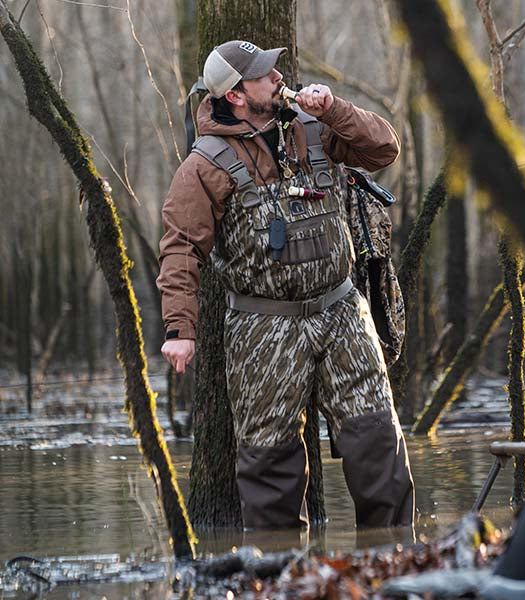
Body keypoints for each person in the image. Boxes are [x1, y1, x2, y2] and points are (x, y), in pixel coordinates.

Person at [157, 40, 414, 530]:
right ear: (235, 95)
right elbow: (181, 247)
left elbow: (384, 147)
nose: (278, 77)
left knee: (378, 445)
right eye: (264, 74)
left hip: (342, 312)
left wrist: (334, 107)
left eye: (275, 70)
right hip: (262, 326)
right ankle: (281, 577)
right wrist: (180, 328)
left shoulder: (314, 128)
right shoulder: (204, 165)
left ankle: (396, 568)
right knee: (269, 470)